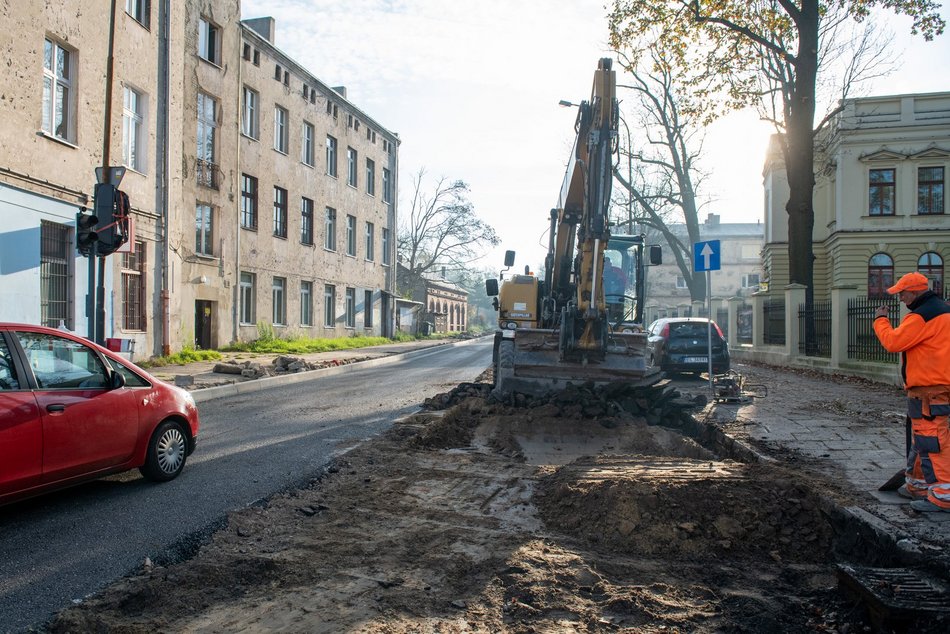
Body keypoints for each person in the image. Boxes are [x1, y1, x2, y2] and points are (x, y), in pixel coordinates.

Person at [873, 272, 950, 513]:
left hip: (929, 388)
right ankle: (918, 484)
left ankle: (943, 495)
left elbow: (894, 342)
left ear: (915, 292)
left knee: (932, 440)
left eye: (902, 293)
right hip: (937, 385)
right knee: (921, 439)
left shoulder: (920, 317)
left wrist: (880, 321)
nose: (900, 298)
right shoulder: (943, 311)